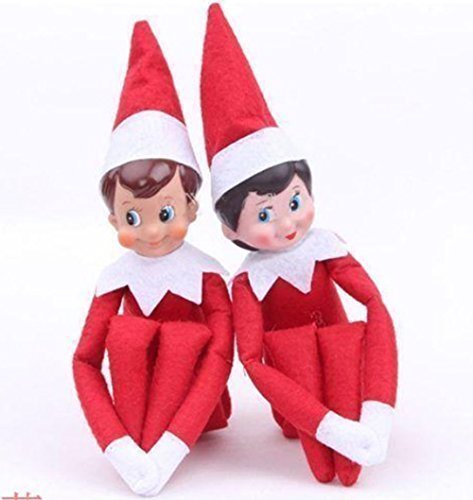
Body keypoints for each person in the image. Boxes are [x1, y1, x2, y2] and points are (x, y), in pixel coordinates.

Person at [200, 3, 397, 486]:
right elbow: (250, 358)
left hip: (345, 371)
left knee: (336, 392)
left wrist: (377, 405)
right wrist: (318, 421)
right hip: (291, 389)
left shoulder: (327, 249)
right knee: (296, 425)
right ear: (230, 231)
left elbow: (373, 305)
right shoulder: (247, 281)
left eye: (294, 201)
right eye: (263, 214)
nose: (287, 224)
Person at [73, 20, 233, 496]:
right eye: (132, 217)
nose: (153, 231)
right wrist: (116, 443)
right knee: (127, 335)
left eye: (165, 212)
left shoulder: (207, 276)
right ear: (113, 221)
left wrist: (171, 446)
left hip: (196, 411)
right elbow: (85, 361)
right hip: (133, 415)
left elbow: (220, 355)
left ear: (192, 208)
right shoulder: (115, 279)